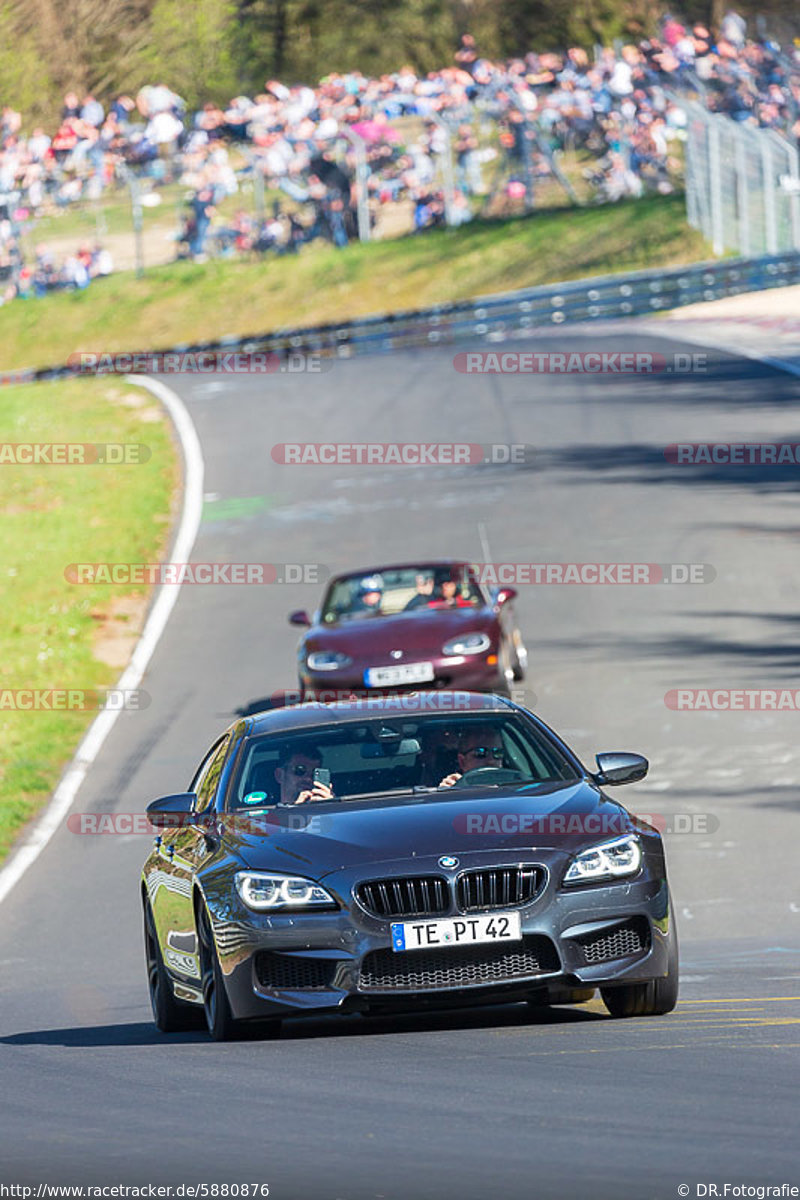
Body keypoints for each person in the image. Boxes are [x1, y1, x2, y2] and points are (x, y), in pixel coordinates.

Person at [439, 724, 505, 788]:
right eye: (480, 752)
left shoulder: (512, 788)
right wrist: (447, 793)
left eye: (497, 752)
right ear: (462, 761)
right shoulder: (455, 787)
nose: (491, 761)